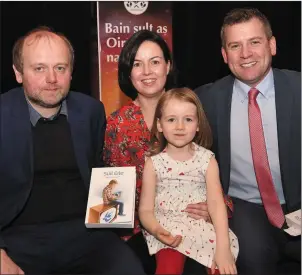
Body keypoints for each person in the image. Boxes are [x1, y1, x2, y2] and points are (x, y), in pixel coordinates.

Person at [0, 26, 145, 274]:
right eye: (39, 68)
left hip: (86, 234)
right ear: (18, 73)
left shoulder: (90, 111)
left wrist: (115, 220)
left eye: (60, 68)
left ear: (70, 72)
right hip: (17, 238)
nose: (51, 79)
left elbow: (103, 171)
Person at [196, 7, 301, 275]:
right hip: (244, 207)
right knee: (252, 262)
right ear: (224, 54)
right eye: (235, 46)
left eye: (254, 42)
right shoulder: (205, 101)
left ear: (272, 45)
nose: (245, 54)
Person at [104, 30, 213, 275]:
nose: (147, 72)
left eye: (155, 62)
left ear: (168, 66)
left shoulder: (191, 111)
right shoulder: (117, 124)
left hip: (193, 220)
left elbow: (213, 170)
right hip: (137, 231)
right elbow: (112, 193)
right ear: (127, 72)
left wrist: (213, 208)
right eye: (137, 64)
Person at [139, 88, 239, 275]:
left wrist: (223, 247)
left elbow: (216, 205)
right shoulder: (153, 164)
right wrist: (156, 229)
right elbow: (145, 210)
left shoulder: (207, 160)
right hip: (167, 229)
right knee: (168, 269)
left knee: (222, 268)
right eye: (171, 119)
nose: (180, 126)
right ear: (159, 125)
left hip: (201, 227)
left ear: (198, 125)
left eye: (188, 119)